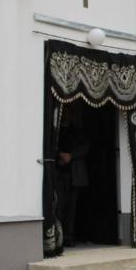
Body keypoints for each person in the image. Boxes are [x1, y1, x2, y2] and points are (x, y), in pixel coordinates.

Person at [55, 105, 89, 247]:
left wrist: (71, 155)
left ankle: (69, 237)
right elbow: (51, 146)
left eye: (69, 112)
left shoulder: (78, 131)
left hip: (74, 175)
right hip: (59, 173)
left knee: (71, 208)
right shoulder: (55, 131)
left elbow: (85, 147)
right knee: (59, 206)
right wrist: (60, 155)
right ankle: (58, 237)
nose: (66, 115)